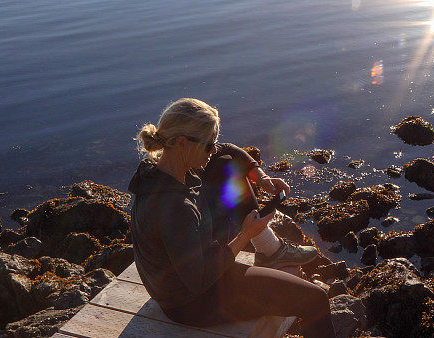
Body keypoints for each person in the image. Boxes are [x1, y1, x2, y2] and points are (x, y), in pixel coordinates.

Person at [128, 98, 335, 337]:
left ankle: (269, 248)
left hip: (178, 279)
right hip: (192, 302)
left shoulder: (159, 168)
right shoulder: (176, 208)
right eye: (208, 145)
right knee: (315, 300)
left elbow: (226, 150)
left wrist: (260, 176)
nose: (213, 150)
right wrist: (246, 234)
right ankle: (267, 245)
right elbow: (201, 279)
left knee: (225, 164)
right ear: (183, 143)